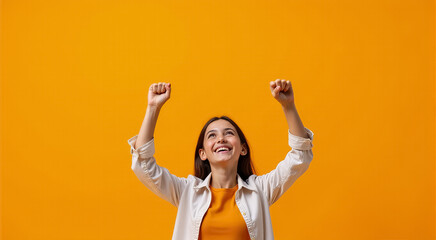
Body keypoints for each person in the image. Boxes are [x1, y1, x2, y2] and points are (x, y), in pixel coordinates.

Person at [128, 79, 314, 240]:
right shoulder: (186, 192)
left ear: (242, 149)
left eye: (229, 133)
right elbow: (143, 164)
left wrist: (288, 106)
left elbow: (300, 156)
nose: (221, 139)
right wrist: (153, 108)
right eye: (212, 136)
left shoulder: (261, 190)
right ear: (203, 153)